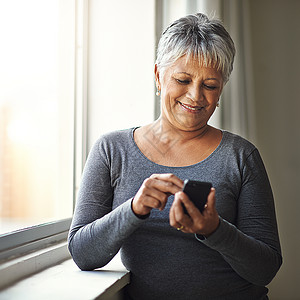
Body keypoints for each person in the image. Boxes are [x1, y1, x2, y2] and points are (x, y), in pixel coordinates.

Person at [68, 13, 282, 300]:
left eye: (210, 85)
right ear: (158, 76)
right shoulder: (111, 150)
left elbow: (265, 268)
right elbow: (82, 253)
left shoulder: (241, 156)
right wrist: (134, 209)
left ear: (221, 91)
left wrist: (214, 229)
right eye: (183, 79)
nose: (195, 96)